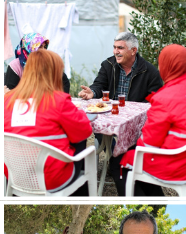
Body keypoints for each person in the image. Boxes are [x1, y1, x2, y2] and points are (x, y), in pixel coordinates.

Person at [110, 44, 186, 197]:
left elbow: (149, 143)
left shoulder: (165, 97)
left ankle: (144, 207)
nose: (159, 68)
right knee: (132, 152)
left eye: (161, 63)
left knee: (118, 161)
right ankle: (156, 200)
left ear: (168, 65)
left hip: (174, 163)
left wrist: (131, 147)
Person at [3, 49, 91, 195]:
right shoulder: (58, 100)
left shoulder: (7, 101)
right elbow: (85, 131)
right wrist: (79, 112)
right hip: (52, 180)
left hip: (15, 176)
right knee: (78, 139)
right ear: (53, 73)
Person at [77, 31, 163, 102]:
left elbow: (153, 99)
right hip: (111, 113)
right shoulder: (108, 65)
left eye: (120, 48)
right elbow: (99, 85)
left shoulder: (150, 72)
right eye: (114, 47)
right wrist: (92, 92)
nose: (115, 52)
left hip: (137, 118)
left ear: (133, 50)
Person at [5, 33, 71, 93]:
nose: (43, 50)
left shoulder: (49, 62)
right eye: (39, 47)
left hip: (46, 103)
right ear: (28, 48)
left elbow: (64, 82)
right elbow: (9, 91)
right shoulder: (16, 66)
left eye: (44, 47)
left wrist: (59, 100)